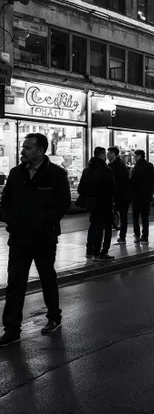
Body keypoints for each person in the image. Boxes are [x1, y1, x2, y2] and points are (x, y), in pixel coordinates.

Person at [0, 133, 71, 347]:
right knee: (15, 284)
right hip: (19, 237)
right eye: (23, 147)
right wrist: (11, 221)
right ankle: (12, 330)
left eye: (28, 147)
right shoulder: (16, 173)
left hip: (44, 238)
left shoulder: (56, 174)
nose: (23, 151)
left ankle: (54, 317)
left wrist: (44, 222)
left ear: (40, 150)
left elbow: (63, 204)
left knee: (47, 278)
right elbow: (5, 203)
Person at [77, 147, 116, 261]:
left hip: (92, 203)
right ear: (102, 155)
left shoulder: (87, 170)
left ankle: (89, 251)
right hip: (104, 203)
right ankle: (100, 253)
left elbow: (80, 189)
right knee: (106, 228)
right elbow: (112, 189)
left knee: (93, 226)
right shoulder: (106, 170)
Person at [130, 150, 154, 244]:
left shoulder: (136, 168)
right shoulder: (150, 167)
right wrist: (151, 191)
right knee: (145, 217)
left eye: (135, 156)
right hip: (147, 195)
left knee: (135, 217)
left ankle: (137, 235)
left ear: (139, 156)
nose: (134, 157)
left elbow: (133, 181)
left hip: (137, 195)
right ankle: (145, 237)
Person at [107, 146, 132, 244]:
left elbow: (119, 182)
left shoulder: (119, 165)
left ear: (113, 154)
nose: (107, 155)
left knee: (123, 216)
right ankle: (121, 236)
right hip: (118, 195)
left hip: (121, 195)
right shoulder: (113, 164)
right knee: (120, 216)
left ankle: (122, 236)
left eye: (108, 153)